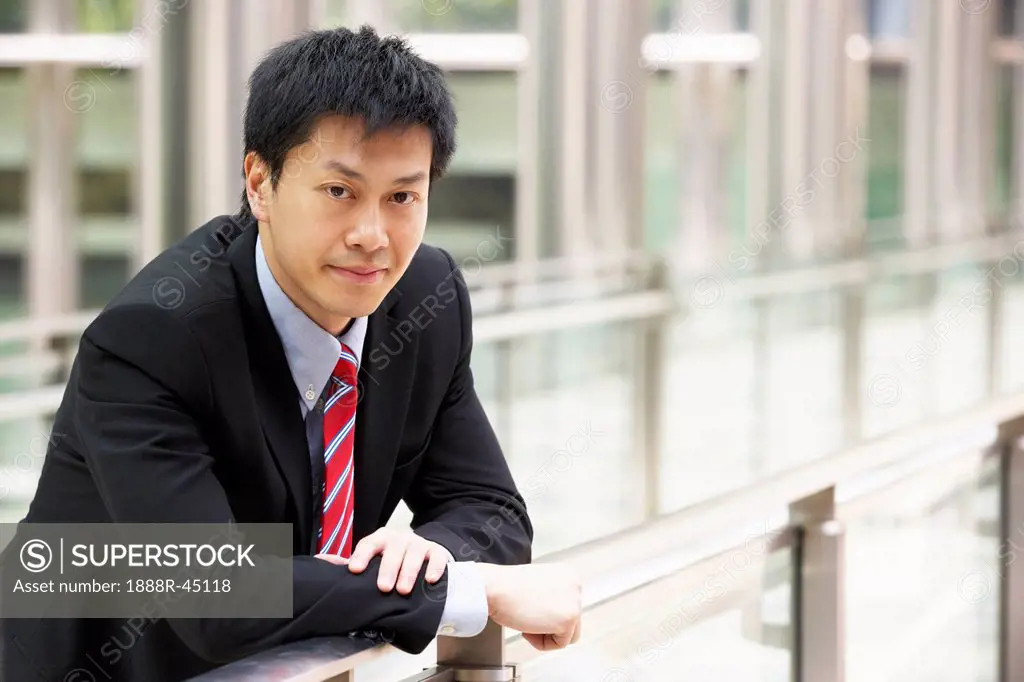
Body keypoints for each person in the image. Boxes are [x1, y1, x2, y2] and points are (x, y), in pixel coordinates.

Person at [1, 25, 581, 682]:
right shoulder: (150, 338)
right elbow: (212, 592)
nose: (372, 235)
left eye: (402, 197)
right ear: (259, 183)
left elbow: (493, 512)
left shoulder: (427, 300)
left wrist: (429, 556)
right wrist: (464, 592)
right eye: (340, 192)